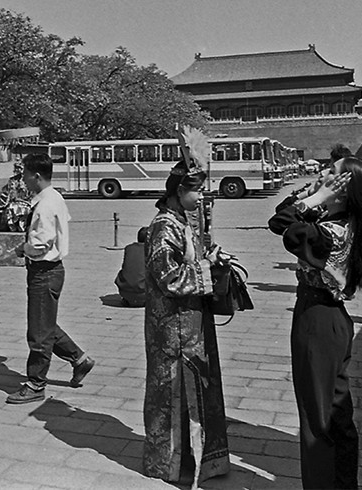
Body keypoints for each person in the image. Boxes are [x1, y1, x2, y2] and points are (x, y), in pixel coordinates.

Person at [268, 157, 362, 489]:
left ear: (343, 189)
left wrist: (314, 198)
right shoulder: (345, 221)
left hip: (317, 322)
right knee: (337, 413)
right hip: (332, 322)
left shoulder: (326, 232)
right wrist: (315, 196)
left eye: (331, 174)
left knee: (317, 419)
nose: (323, 174)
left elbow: (281, 223)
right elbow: (284, 217)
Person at [142, 157, 230, 486]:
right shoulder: (164, 225)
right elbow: (169, 277)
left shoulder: (183, 220)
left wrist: (212, 258)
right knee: (171, 393)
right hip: (171, 327)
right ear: (180, 191)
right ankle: (168, 464)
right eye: (198, 190)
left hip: (189, 321)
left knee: (190, 392)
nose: (203, 196)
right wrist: (208, 269)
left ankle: (190, 458)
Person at [7, 153, 95, 405]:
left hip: (44, 271)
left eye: (24, 174)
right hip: (51, 271)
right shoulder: (53, 197)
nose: (23, 179)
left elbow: (41, 243)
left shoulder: (44, 204)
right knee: (44, 323)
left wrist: (23, 248)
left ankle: (36, 383)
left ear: (36, 175)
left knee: (38, 333)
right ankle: (79, 359)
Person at [115, 226, 148, 307]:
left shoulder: (129, 248)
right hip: (144, 293)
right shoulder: (151, 250)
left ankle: (129, 298)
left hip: (125, 292)